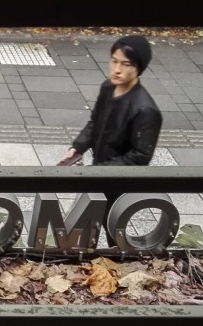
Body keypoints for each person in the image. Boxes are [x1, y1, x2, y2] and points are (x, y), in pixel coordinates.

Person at [61, 35, 163, 245]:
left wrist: (101, 171)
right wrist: (78, 146)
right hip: (100, 171)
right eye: (114, 61)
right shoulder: (108, 88)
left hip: (119, 181)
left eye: (125, 64)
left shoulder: (146, 110)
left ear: (138, 68)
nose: (117, 69)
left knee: (113, 229)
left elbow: (140, 157)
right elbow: (95, 122)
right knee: (85, 226)